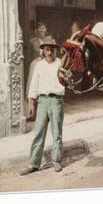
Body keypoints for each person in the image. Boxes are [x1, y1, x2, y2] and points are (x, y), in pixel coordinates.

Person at [20, 39, 65, 175]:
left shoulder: (61, 64)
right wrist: (31, 104)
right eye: (47, 49)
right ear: (43, 51)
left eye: (52, 49)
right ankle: (34, 163)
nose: (50, 52)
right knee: (39, 132)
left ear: (55, 50)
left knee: (57, 132)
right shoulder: (39, 65)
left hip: (56, 100)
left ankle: (56, 160)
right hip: (42, 101)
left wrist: (65, 77)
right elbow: (34, 85)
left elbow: (68, 82)